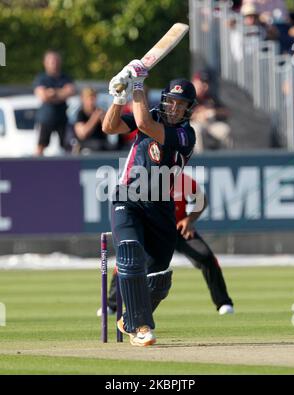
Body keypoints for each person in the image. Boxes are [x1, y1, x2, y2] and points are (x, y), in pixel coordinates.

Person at [102, 59, 197, 346]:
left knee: (159, 278)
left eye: (181, 104)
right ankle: (140, 325)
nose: (174, 108)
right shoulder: (153, 112)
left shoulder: (185, 135)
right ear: (164, 100)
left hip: (160, 206)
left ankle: (129, 315)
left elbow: (143, 123)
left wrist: (138, 84)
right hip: (128, 198)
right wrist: (120, 97)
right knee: (130, 253)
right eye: (171, 101)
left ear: (188, 109)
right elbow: (110, 126)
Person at [100, 171, 234, 317]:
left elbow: (202, 199)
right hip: (150, 231)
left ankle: (223, 302)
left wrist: (189, 220)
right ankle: (112, 305)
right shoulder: (142, 181)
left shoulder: (182, 180)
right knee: (128, 259)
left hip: (178, 228)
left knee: (206, 257)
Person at [33, 50, 75, 156]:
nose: (54, 64)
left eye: (56, 61)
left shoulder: (65, 77)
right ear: (45, 63)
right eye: (51, 61)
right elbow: (42, 96)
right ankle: (35, 169)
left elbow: (70, 91)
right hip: (46, 118)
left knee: (67, 147)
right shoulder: (41, 78)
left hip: (62, 118)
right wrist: (61, 93)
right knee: (41, 146)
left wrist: (52, 93)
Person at [73, 87, 107, 153]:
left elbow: (107, 132)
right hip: (85, 146)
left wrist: (103, 120)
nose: (91, 101)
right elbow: (82, 134)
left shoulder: (100, 111)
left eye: (93, 98)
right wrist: (95, 118)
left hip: (101, 145)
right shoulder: (80, 113)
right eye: (88, 98)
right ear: (82, 99)